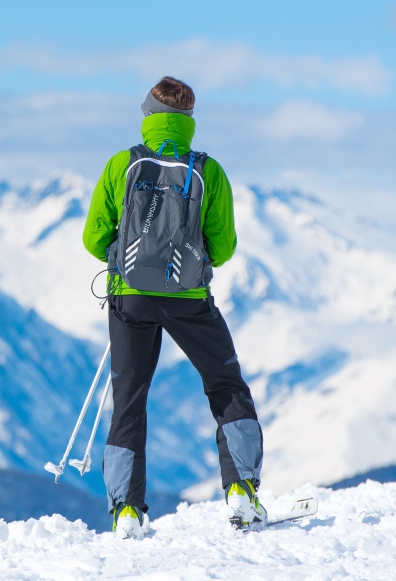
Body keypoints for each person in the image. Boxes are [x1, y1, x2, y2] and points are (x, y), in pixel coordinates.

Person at [81, 76, 265, 539]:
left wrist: (124, 259)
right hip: (188, 300)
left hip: (130, 297)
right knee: (225, 385)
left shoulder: (122, 165)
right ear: (189, 121)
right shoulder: (209, 170)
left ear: (147, 115)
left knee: (129, 398)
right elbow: (223, 247)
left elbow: (92, 237)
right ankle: (241, 488)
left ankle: (126, 510)